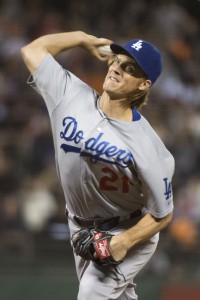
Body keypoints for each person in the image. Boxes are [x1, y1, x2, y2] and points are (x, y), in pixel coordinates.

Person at [21, 31, 174, 300]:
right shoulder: (69, 93)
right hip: (78, 224)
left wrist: (122, 243)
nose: (117, 68)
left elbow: (163, 214)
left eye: (130, 69)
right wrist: (81, 39)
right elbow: (32, 51)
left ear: (143, 85)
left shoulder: (151, 149)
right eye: (117, 60)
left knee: (91, 294)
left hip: (126, 229)